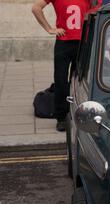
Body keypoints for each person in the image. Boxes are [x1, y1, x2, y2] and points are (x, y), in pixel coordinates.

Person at [31, 0, 99, 132]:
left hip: (82, 42)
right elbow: (36, 8)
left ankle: (78, 112)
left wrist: (90, 15)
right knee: (61, 80)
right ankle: (61, 117)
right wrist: (49, 28)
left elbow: (99, 7)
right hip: (64, 42)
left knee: (80, 81)